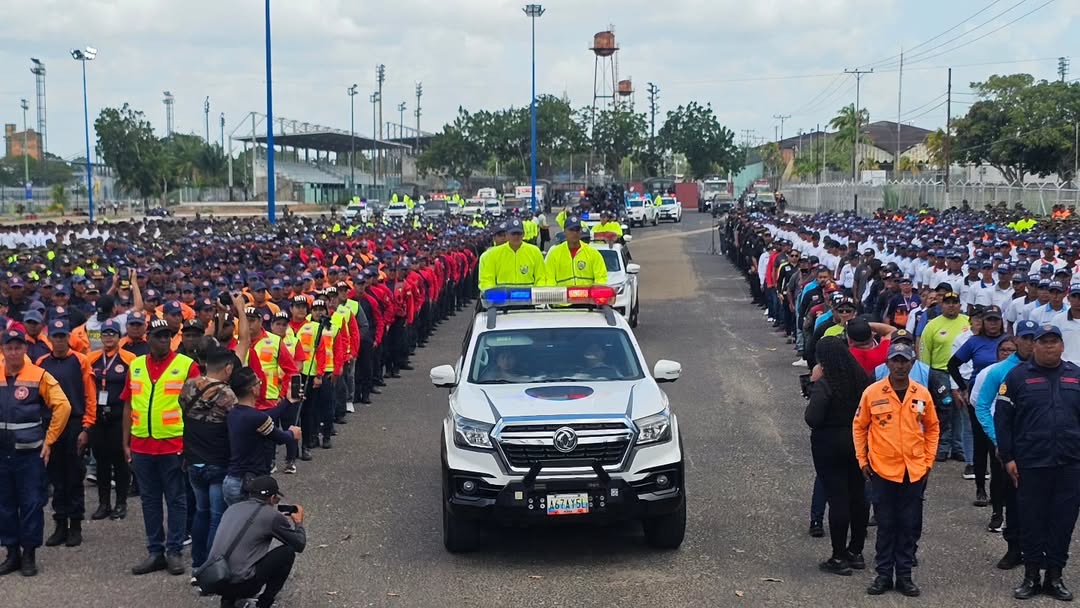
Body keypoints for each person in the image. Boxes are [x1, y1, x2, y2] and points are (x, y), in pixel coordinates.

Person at [995, 323, 1080, 601]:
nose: (1048, 346)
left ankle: (1054, 576)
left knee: (1063, 522)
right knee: (1031, 522)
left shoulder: (1075, 376)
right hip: (1031, 464)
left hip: (1069, 464)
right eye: (1043, 342)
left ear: (1062, 346)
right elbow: (1003, 421)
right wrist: (1008, 458)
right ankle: (1031, 576)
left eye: (1053, 341)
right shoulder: (1018, 377)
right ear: (1034, 346)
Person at [854, 342, 940, 597]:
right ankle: (883, 575)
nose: (900, 365)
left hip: (913, 471)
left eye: (905, 361)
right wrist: (863, 460)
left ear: (912, 364)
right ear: (887, 363)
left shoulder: (921, 394)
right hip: (881, 471)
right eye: (895, 360)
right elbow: (859, 427)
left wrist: (928, 461)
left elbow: (933, 427)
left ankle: (904, 576)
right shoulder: (872, 392)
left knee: (908, 525)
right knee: (886, 524)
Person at [122, 318, 200, 576]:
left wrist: (192, 446)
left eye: (168, 335)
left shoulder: (187, 366)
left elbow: (197, 409)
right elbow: (128, 404)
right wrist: (126, 442)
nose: (164, 340)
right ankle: (155, 551)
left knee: (176, 499)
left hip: (173, 444)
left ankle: (174, 550)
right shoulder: (135, 366)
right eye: (159, 336)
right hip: (142, 445)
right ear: (148, 339)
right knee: (149, 500)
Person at [0, 329, 72, 577]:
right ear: (3, 350)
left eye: (18, 347)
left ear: (25, 349)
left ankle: (29, 554)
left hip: (29, 454)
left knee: (31, 504)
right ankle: (11, 553)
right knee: (5, 505)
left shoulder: (38, 374)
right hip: (2, 454)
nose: (13, 352)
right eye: (9, 347)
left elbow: (63, 406)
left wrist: (49, 440)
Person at [804, 337, 871, 576]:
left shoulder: (826, 383)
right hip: (858, 441)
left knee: (837, 498)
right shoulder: (863, 380)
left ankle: (839, 555)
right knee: (858, 496)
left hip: (829, 444)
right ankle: (856, 551)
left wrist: (812, 385)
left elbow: (813, 417)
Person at [34, 318, 96, 548]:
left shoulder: (80, 361)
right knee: (55, 477)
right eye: (55, 337)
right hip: (50, 425)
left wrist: (87, 427)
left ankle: (75, 525)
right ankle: (60, 524)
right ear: (49, 339)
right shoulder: (41, 362)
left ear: (68, 338)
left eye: (63, 337)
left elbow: (90, 396)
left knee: (74, 476)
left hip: (74, 424)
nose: (59, 341)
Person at [204, 476, 306, 608]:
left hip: (215, 578)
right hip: (242, 585)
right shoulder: (272, 516)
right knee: (287, 552)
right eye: (276, 499)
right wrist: (298, 523)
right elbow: (299, 544)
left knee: (239, 553)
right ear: (271, 498)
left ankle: (228, 601)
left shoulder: (232, 509)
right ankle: (264, 603)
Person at [180, 346, 239, 572]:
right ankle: (211, 566)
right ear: (228, 368)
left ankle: (196, 564)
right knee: (217, 516)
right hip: (217, 461)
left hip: (193, 459)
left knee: (200, 512)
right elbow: (233, 424)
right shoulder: (227, 394)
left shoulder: (188, 386)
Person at [947, 305, 1006, 501]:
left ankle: (1000, 490)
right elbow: (952, 364)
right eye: (988, 319)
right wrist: (963, 388)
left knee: (998, 443)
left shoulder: (1007, 342)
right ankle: (980, 489)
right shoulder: (974, 342)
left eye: (995, 320)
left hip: (1003, 397)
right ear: (982, 322)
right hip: (979, 395)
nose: (992, 324)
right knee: (981, 443)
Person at [222, 367, 300, 506]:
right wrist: (292, 433)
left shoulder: (234, 413)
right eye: (259, 382)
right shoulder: (256, 417)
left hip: (232, 480)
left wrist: (287, 402)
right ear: (253, 389)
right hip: (250, 484)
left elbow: (266, 418)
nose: (261, 385)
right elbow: (281, 438)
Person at [85, 319, 136, 521]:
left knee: (120, 462)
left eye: (112, 334)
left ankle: (121, 503)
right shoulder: (92, 358)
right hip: (98, 416)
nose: (108, 337)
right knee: (102, 462)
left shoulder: (129, 358)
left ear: (119, 336)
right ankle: (103, 503)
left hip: (119, 415)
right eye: (105, 334)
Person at [918, 290, 969, 462]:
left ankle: (958, 446)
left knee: (961, 408)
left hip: (962, 372)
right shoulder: (932, 325)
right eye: (948, 302)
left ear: (960, 305)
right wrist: (926, 374)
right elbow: (925, 351)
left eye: (955, 302)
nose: (951, 305)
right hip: (939, 372)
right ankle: (943, 445)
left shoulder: (967, 322)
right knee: (945, 409)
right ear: (942, 305)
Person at [477, 218, 548, 290]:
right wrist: (492, 294)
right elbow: (487, 279)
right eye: (513, 234)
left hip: (528, 298)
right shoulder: (493, 254)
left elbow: (541, 278)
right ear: (507, 235)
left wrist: (537, 292)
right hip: (502, 298)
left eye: (519, 233)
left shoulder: (534, 251)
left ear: (523, 234)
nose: (516, 237)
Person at [544, 216, 609, 287]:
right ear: (564, 231)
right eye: (571, 230)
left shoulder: (593, 253)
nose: (575, 233)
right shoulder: (554, 254)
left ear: (581, 231)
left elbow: (601, 279)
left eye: (577, 230)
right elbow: (549, 280)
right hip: (562, 297)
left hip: (588, 297)